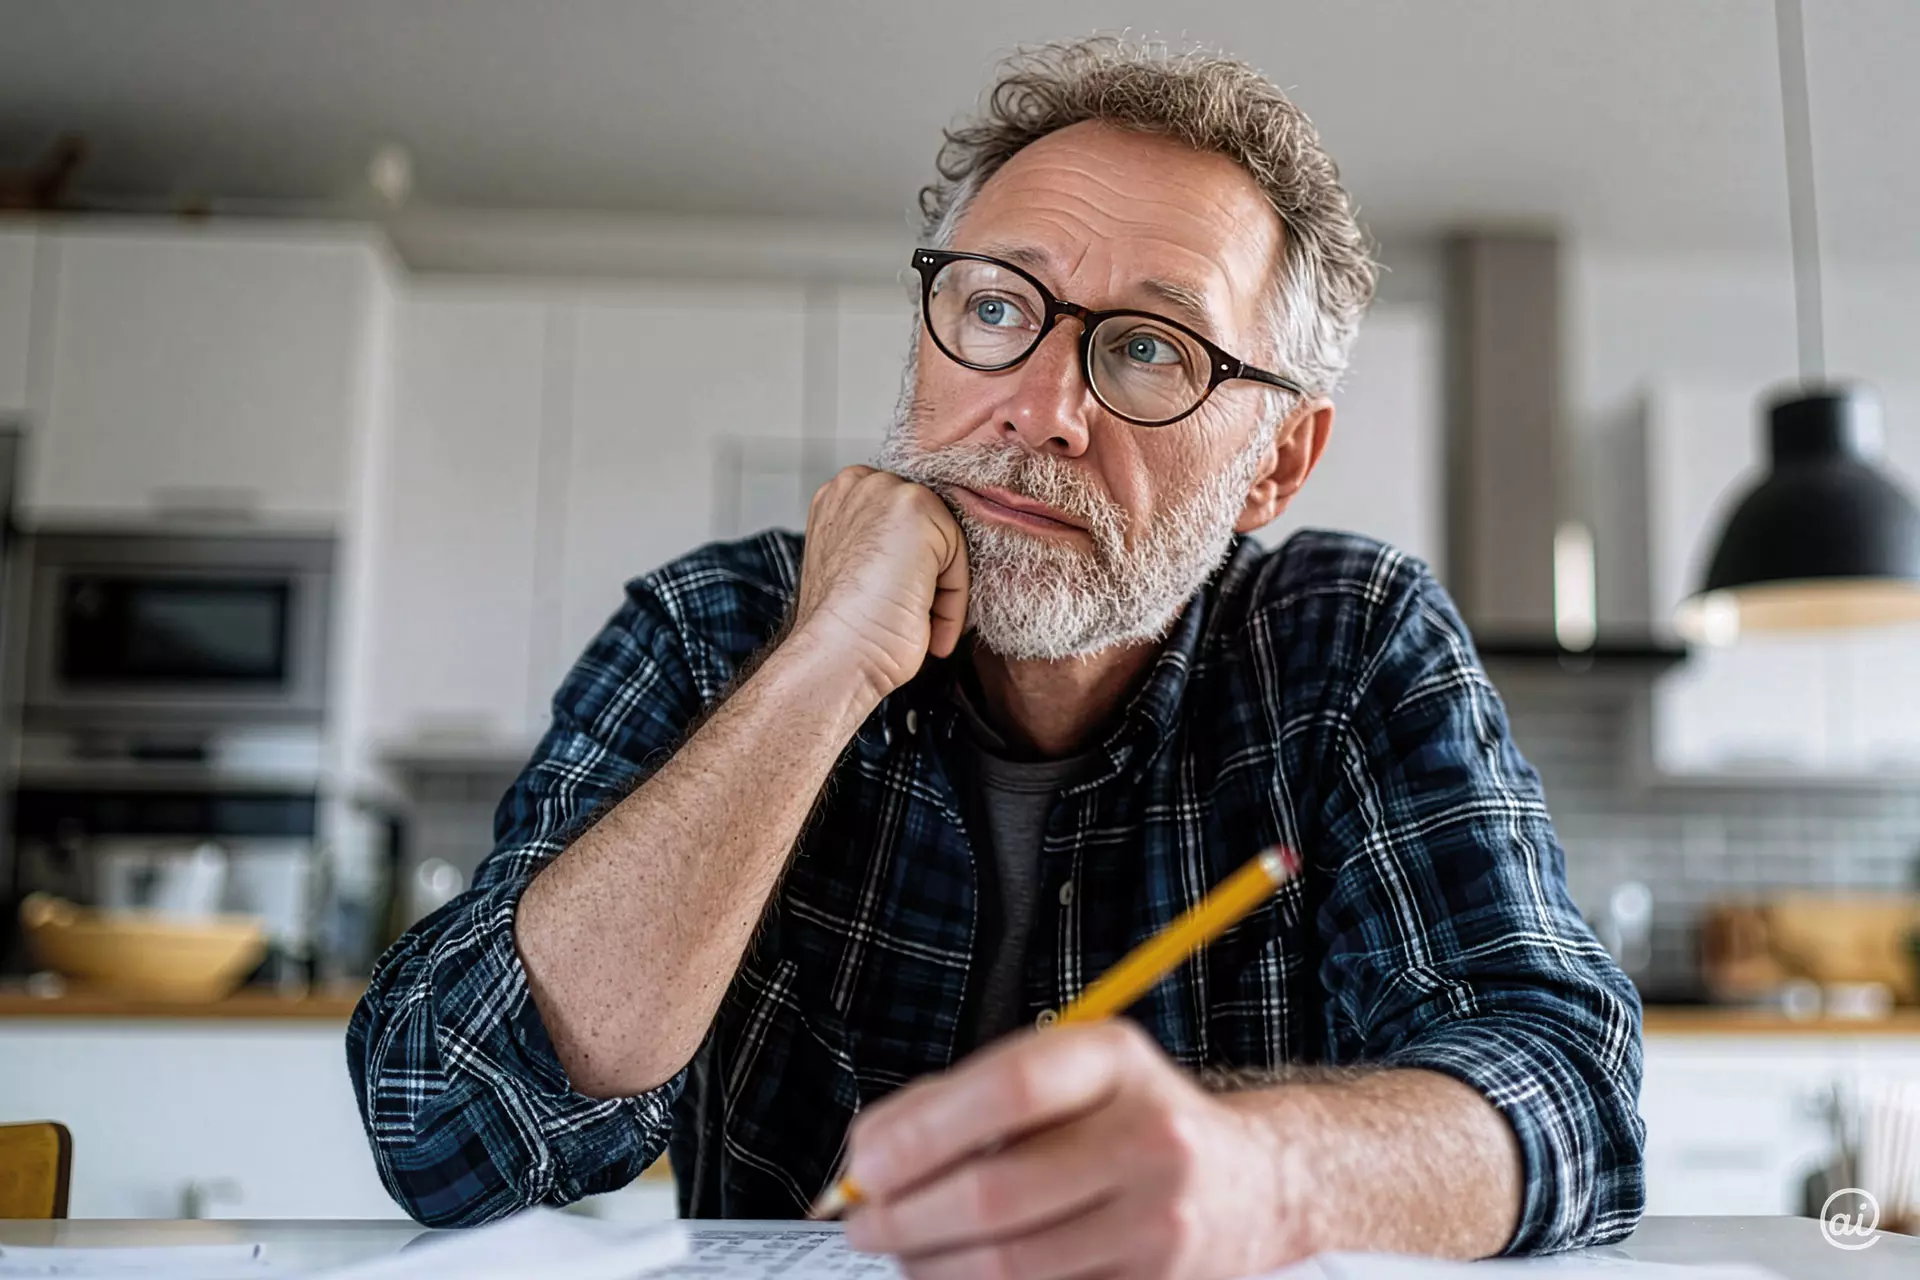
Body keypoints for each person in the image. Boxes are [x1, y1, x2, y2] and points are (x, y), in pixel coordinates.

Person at [348, 35, 1644, 1275]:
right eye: (994, 306)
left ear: (1278, 462)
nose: (1040, 408)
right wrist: (823, 666)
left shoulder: (1347, 640)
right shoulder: (715, 627)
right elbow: (445, 1122)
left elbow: (1568, 1092)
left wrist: (1264, 1176)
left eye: (1151, 348)